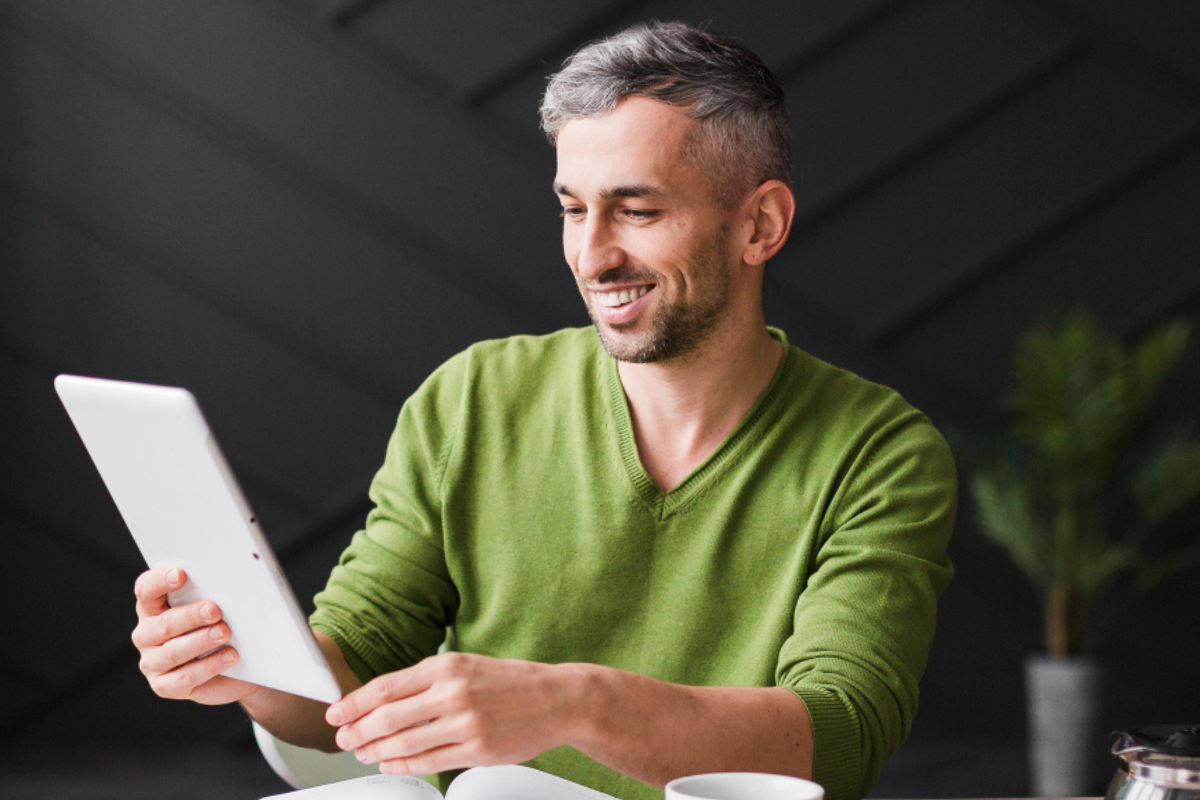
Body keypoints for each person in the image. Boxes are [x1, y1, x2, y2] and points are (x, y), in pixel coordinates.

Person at [130, 21, 955, 800]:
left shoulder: (879, 452)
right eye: (571, 207)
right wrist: (250, 667)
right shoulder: (474, 400)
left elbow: (841, 737)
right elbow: (347, 684)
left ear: (760, 224)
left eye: (637, 210)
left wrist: (575, 705)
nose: (592, 255)